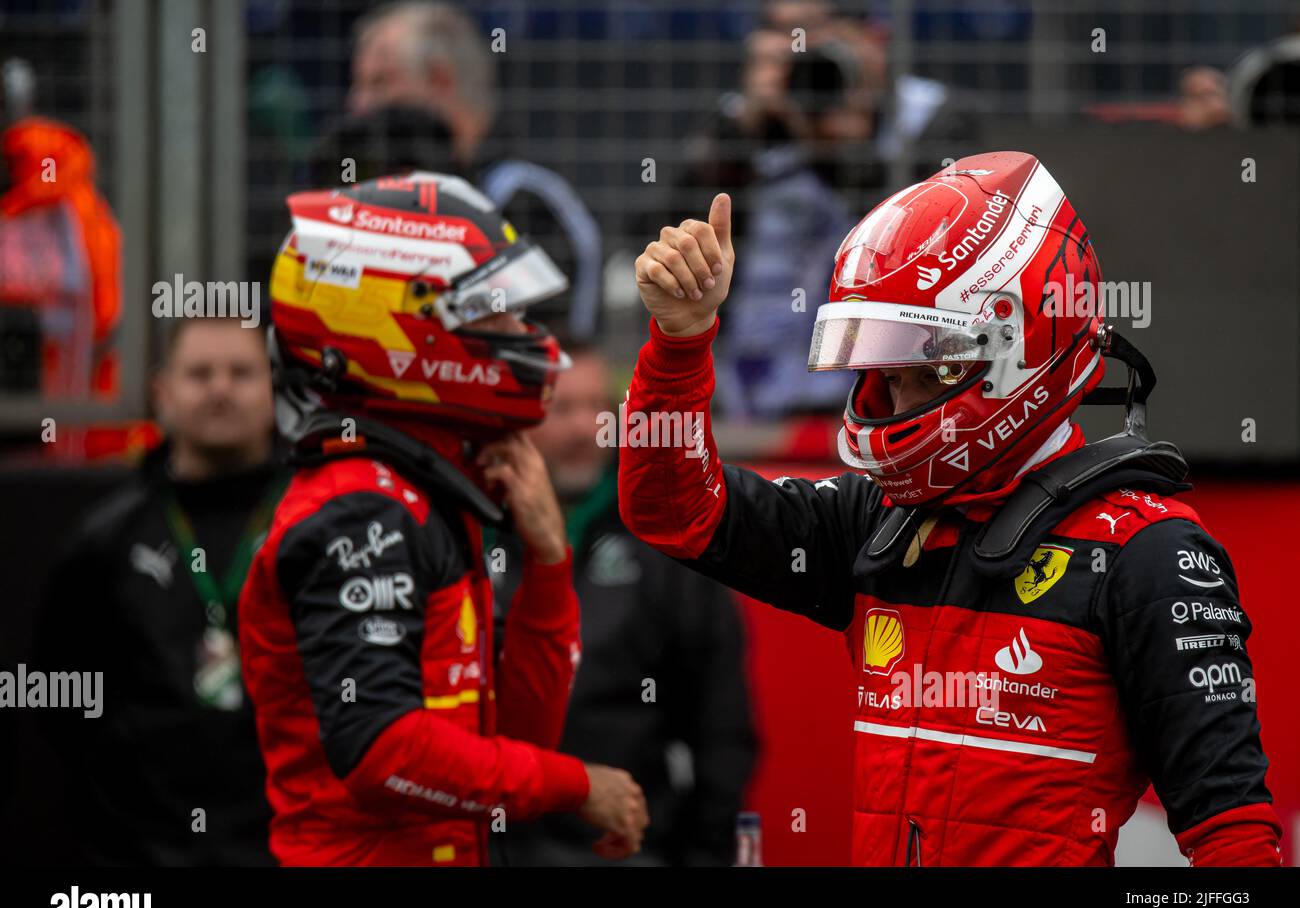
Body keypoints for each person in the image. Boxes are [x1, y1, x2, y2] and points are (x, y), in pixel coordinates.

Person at [621, 152, 1283, 866]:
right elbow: (675, 509)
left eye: (925, 369)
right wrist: (681, 343)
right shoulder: (875, 520)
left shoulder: (1149, 555)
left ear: (1020, 346)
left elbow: (1235, 840)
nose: (895, 402)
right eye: (885, 375)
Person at [239, 171, 648, 866]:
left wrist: (548, 568)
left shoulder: (420, 485)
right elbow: (380, 751)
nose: (528, 335)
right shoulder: (357, 506)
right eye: (496, 311)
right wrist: (577, 786)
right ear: (394, 322)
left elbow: (515, 744)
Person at [491, 343, 758, 866]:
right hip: (492, 846)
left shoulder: (663, 534)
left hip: (628, 852)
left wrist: (704, 855)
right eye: (561, 408)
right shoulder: (470, 525)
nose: (583, 429)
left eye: (597, 408)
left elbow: (722, 721)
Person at [35, 315, 283, 865]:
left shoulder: (325, 526)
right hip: (145, 862)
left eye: (241, 372)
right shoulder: (104, 543)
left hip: (294, 850)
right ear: (162, 393)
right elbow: (59, 721)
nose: (220, 388)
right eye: (199, 373)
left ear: (275, 387)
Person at [346, 1, 602, 340]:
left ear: (439, 79)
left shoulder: (526, 199)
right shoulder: (373, 191)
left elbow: (558, 359)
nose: (358, 105)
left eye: (379, 82)